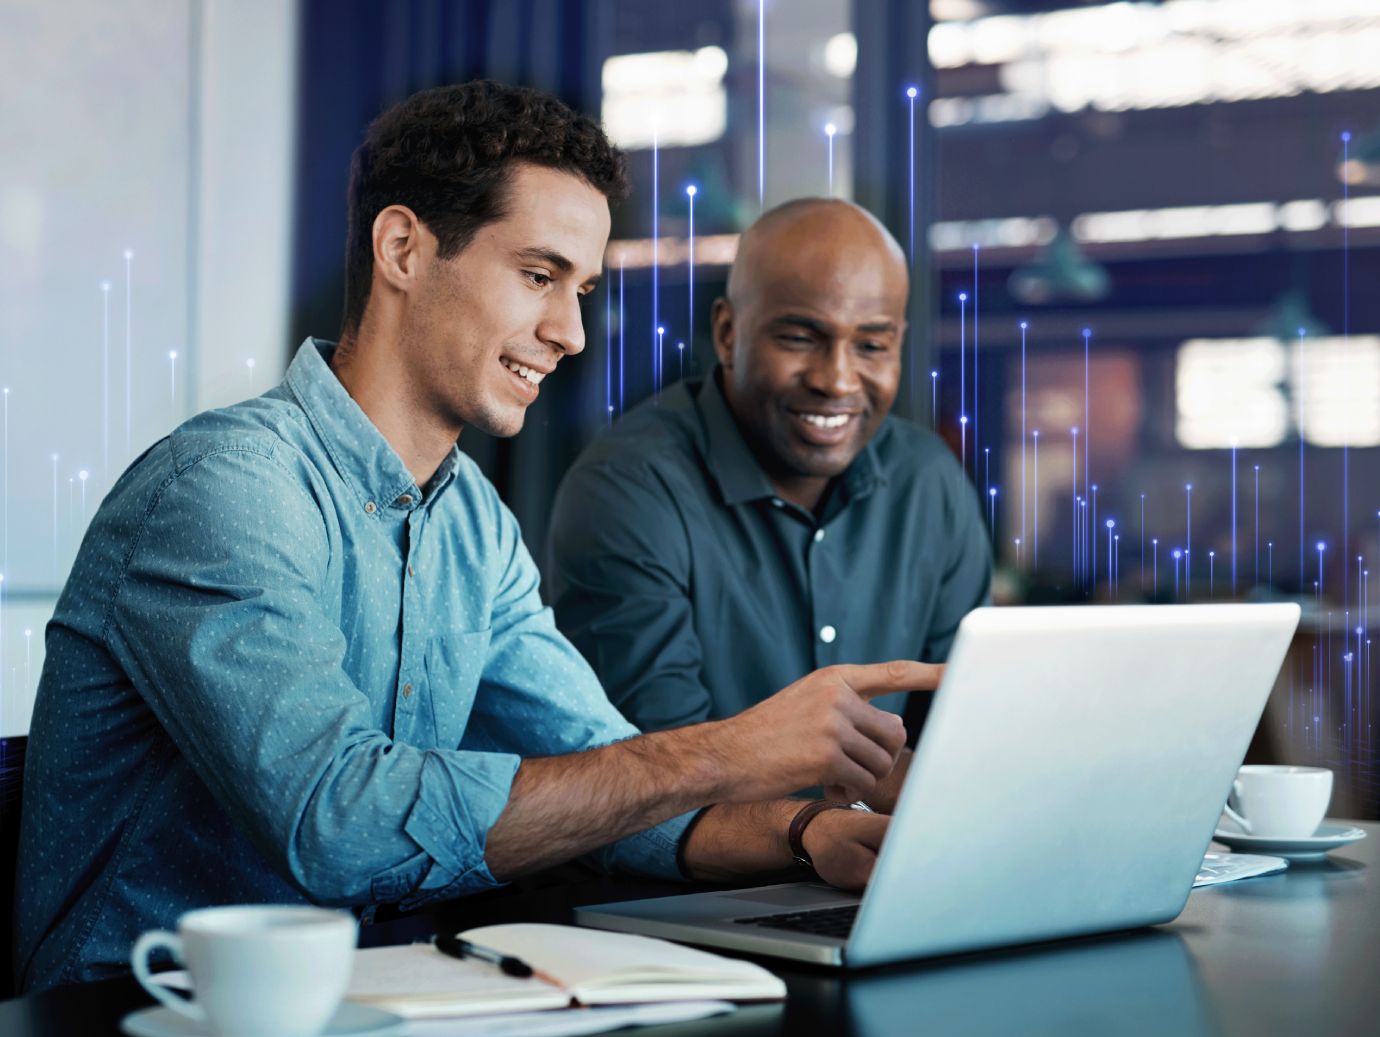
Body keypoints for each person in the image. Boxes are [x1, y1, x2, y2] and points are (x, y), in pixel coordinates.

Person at [14, 83, 940, 992]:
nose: (570, 332)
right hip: (133, 1010)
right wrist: (727, 749)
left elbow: (612, 791)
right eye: (539, 276)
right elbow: (341, 826)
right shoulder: (225, 489)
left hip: (357, 1003)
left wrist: (805, 831)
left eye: (581, 290)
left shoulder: (473, 526)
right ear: (404, 249)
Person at [547, 198, 991, 810]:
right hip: (683, 897)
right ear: (728, 333)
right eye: (801, 337)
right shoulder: (629, 488)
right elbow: (659, 776)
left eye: (871, 346)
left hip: (883, 874)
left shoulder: (929, 481)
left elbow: (971, 731)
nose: (837, 380)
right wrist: (827, 830)